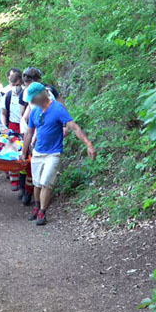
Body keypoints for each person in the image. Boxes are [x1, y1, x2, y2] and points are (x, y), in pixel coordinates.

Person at [21, 82, 96, 226]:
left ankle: (42, 212)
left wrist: (88, 144)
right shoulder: (35, 111)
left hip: (53, 153)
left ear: (42, 94)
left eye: (33, 98)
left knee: (46, 183)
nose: (30, 101)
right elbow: (29, 132)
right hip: (37, 152)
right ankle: (37, 207)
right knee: (37, 184)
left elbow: (74, 127)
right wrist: (23, 153)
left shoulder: (57, 108)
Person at [0, 70, 28, 192]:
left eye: (17, 85)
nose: (16, 88)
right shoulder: (8, 95)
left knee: (24, 153)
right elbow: (3, 113)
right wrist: (4, 125)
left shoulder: (27, 96)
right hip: (12, 126)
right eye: (13, 85)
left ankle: (24, 180)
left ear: (21, 83)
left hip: (24, 127)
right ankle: (14, 180)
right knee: (11, 153)